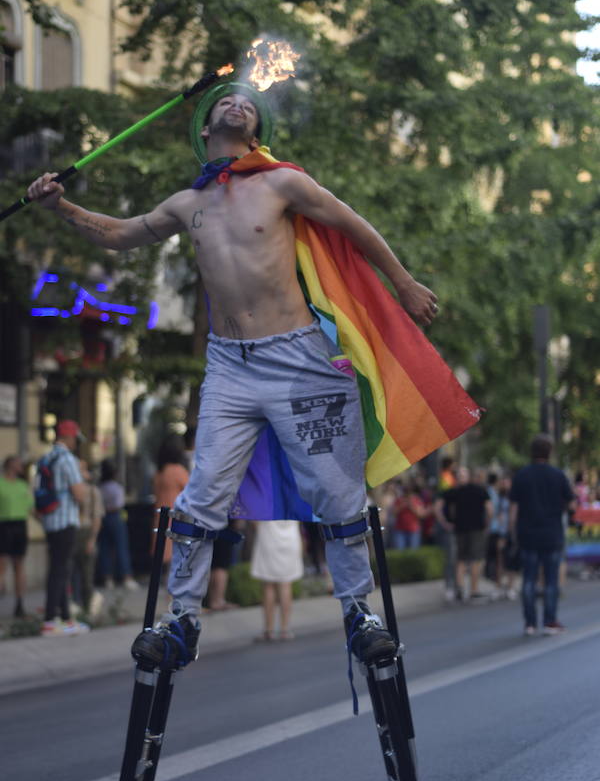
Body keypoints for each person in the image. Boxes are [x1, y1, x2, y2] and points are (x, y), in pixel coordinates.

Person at [27, 81, 440, 668]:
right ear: (205, 128)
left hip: (301, 362)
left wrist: (402, 282)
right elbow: (121, 234)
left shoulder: (281, 183)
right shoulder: (186, 203)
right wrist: (59, 207)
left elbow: (351, 223)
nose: (238, 102)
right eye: (226, 101)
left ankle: (357, 612)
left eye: (248, 103)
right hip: (229, 364)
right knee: (201, 497)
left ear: (256, 133)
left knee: (337, 492)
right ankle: (183, 620)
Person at [510, 434, 575, 636]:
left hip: (527, 534)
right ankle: (549, 621)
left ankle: (530, 623)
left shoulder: (521, 475)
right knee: (551, 580)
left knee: (528, 579)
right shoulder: (558, 475)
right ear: (549, 452)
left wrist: (513, 534)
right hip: (552, 533)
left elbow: (513, 510)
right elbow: (571, 504)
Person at [36, 419, 89, 636]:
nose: (77, 443)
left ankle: (65, 618)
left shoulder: (47, 457)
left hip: (50, 520)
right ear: (68, 437)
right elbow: (79, 494)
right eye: (76, 439)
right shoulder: (67, 459)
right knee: (61, 570)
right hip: (65, 519)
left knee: (58, 568)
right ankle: (50, 620)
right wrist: (84, 481)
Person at [435, 466, 492, 602]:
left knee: (461, 560)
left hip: (460, 529)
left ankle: (460, 589)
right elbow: (490, 509)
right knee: (475, 560)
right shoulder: (479, 490)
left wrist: (444, 523)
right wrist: (487, 524)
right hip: (476, 529)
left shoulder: (451, 492)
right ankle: (473, 590)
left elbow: (437, 507)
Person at [251, 520, 304, 641]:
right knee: (286, 584)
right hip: (291, 535)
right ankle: (285, 629)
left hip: (268, 535)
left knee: (268, 585)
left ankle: (268, 630)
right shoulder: (294, 499)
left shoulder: (264, 499)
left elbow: (254, 517)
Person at [0, 455, 34, 618]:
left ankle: (19, 604)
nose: (21, 466)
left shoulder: (23, 485)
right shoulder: (1, 484)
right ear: (10, 466)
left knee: (19, 566)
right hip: (4, 525)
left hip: (20, 526)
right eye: (18, 464)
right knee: (2, 566)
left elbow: (31, 507)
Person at [71, 459, 104, 619]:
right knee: (72, 572)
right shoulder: (69, 491)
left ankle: (88, 606)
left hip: (86, 531)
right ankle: (74, 605)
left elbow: (97, 517)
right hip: (72, 531)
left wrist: (92, 539)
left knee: (87, 574)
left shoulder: (92, 491)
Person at [97, 459, 138, 591]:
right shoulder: (117, 488)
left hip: (103, 517)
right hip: (116, 517)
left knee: (105, 548)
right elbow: (119, 504)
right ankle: (127, 577)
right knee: (121, 547)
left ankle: (107, 578)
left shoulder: (100, 488)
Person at [152, 435, 190, 570]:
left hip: (161, 516)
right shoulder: (179, 472)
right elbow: (191, 494)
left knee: (164, 554)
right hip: (178, 518)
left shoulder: (160, 472)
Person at [391, 479, 425, 550]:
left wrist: (411, 506)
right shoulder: (399, 500)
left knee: (413, 553)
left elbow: (420, 515)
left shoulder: (417, 500)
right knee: (399, 553)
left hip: (413, 530)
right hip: (400, 530)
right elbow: (393, 513)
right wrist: (402, 506)